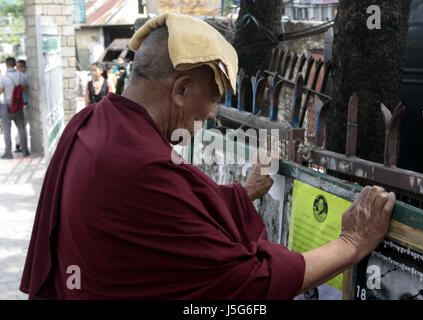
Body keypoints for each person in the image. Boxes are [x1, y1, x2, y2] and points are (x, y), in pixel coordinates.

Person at [20, 13, 396, 299]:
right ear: (181, 89)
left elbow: (165, 213)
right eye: (214, 98)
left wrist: (244, 192)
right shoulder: (139, 164)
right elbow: (246, 284)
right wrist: (351, 244)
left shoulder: (90, 121)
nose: (214, 112)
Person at [0, 57, 29, 159]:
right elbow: (25, 88)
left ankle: (8, 152)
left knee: (7, 130)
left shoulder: (3, 78)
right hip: (18, 105)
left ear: (7, 65)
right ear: (14, 65)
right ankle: (25, 150)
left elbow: (1, 91)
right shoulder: (21, 75)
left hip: (6, 106)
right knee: (21, 128)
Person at [14, 59, 28, 153]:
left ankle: (19, 144)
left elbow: (24, 89)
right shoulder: (21, 76)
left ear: (23, 67)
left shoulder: (24, 77)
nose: (17, 69)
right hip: (22, 104)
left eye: (19, 67)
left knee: (22, 126)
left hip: (25, 103)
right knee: (22, 126)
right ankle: (19, 144)